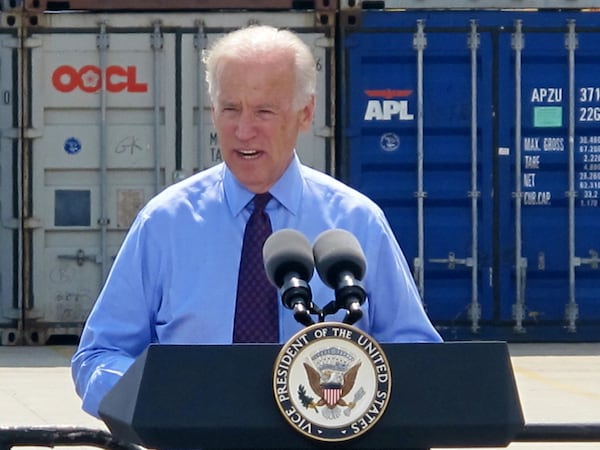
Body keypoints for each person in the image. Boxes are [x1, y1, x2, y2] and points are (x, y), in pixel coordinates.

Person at [71, 24, 442, 419]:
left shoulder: (357, 222)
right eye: (230, 109)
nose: (243, 131)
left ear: (306, 112)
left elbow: (418, 356)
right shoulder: (164, 224)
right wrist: (160, 399)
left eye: (264, 111)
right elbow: (98, 355)